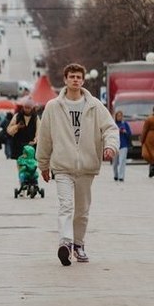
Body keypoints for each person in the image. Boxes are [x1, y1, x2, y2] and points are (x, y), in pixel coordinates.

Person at [36, 63, 118, 266]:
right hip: (62, 166)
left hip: (87, 166)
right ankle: (65, 243)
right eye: (71, 76)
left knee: (82, 210)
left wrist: (110, 147)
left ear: (83, 80)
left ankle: (79, 245)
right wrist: (43, 164)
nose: (75, 80)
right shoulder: (53, 106)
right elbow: (45, 137)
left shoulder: (95, 105)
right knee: (66, 205)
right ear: (65, 80)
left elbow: (110, 128)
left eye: (78, 77)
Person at [6, 99, 40, 167]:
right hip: (19, 144)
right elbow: (9, 130)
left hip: (31, 145)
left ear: (32, 108)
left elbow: (39, 131)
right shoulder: (17, 116)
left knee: (31, 165)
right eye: (25, 107)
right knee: (20, 164)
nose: (27, 109)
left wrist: (35, 140)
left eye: (29, 108)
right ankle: (21, 177)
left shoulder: (36, 117)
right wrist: (17, 126)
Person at [113, 110, 131, 182]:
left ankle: (121, 176)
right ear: (116, 117)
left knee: (122, 161)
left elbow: (129, 133)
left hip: (123, 145)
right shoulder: (113, 124)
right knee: (115, 163)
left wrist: (125, 132)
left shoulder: (125, 124)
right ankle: (116, 175)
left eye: (121, 116)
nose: (119, 117)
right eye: (118, 116)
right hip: (115, 145)